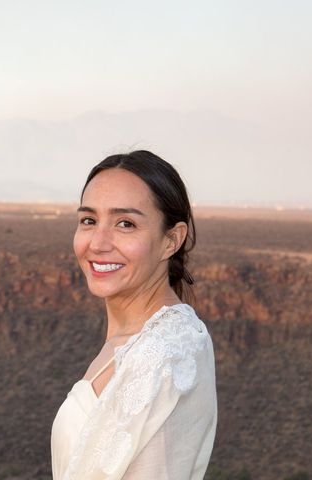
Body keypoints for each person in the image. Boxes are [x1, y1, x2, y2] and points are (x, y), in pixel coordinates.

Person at [50, 150, 218, 479]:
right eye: (89, 220)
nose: (98, 243)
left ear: (172, 240)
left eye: (125, 224)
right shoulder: (157, 338)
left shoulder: (161, 357)